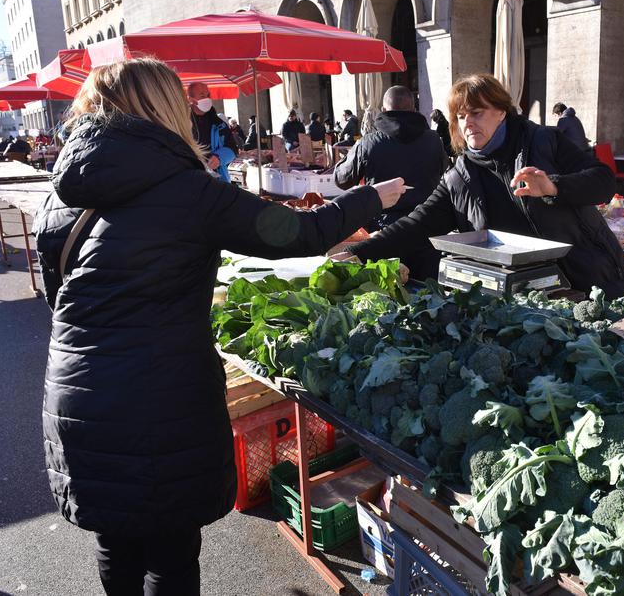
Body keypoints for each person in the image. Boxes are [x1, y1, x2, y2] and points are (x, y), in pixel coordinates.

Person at [31, 58, 405, 595]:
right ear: (163, 107)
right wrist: (371, 197)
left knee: (116, 542)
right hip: (159, 397)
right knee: (171, 552)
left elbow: (56, 291)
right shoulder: (185, 187)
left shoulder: (64, 187)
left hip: (77, 391)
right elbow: (296, 233)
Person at [340, 74, 624, 296]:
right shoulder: (461, 174)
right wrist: (358, 253)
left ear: (502, 111)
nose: (467, 123)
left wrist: (554, 187)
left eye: (476, 112)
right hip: (524, 296)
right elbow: (417, 224)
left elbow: (604, 181)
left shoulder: (544, 141)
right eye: (460, 116)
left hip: (589, 281)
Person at [335, 86, 449, 275]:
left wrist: (347, 157)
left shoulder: (369, 142)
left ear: (384, 110)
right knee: (427, 293)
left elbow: (342, 179)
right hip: (428, 232)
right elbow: (444, 170)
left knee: (388, 296)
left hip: (385, 234)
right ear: (414, 109)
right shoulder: (433, 140)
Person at [186, 82, 238, 183]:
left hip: (217, 179)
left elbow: (233, 149)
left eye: (208, 95)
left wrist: (219, 157)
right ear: (190, 99)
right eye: (202, 95)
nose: (207, 98)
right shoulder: (181, 123)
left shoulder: (219, 124)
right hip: (190, 179)